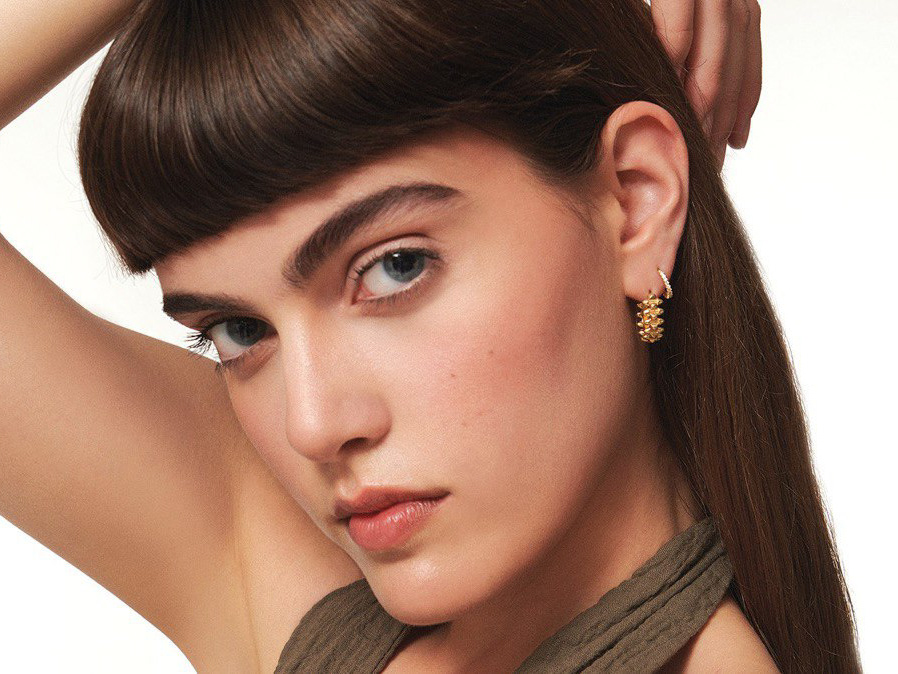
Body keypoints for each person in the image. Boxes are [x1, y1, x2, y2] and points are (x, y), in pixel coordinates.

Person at [0, 1, 861, 672]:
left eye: (395, 268)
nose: (313, 424)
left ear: (634, 203)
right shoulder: (268, 569)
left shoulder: (261, 576)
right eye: (238, 330)